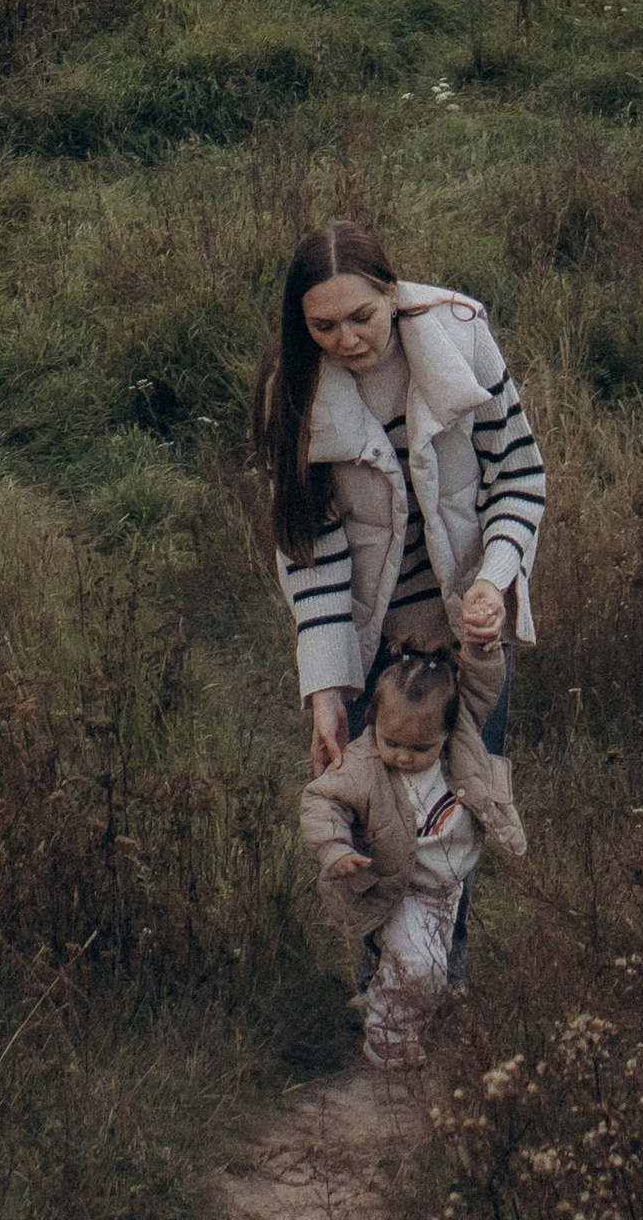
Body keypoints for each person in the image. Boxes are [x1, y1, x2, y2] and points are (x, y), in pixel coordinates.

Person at [252, 216, 547, 974]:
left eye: (362, 316)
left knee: (459, 812)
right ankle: (381, 992)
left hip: (465, 639)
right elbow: (308, 550)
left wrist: (496, 577)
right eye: (323, 326)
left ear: (392, 292)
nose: (347, 339)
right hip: (366, 645)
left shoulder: (462, 334)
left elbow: (517, 476)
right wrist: (326, 691)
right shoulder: (292, 390)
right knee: (375, 825)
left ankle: (448, 977)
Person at [299, 634, 525, 1065]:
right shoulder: (365, 765)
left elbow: (484, 685)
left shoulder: (462, 737)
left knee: (432, 969)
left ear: (447, 730)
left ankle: (386, 1000)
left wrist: (481, 648)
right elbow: (320, 800)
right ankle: (388, 1039)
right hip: (403, 887)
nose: (403, 756)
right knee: (418, 967)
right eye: (393, 743)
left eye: (421, 748)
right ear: (373, 721)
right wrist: (335, 849)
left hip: (447, 886)